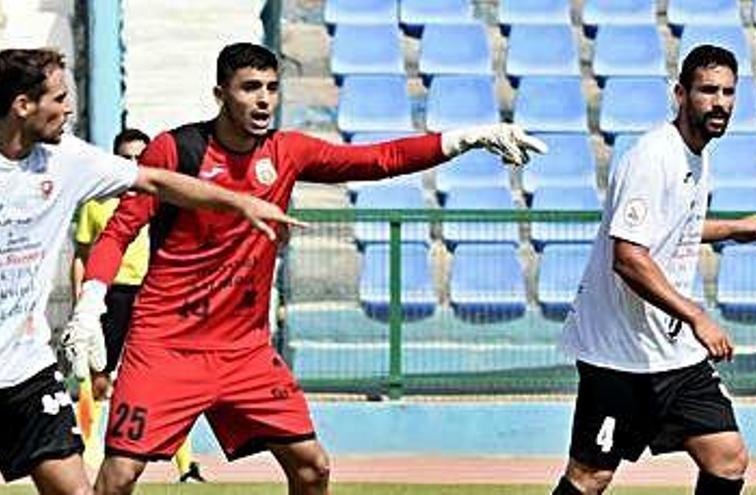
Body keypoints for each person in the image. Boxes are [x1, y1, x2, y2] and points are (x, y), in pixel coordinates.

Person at [68, 42, 546, 495]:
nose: (263, 100)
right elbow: (117, 232)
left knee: (313, 466)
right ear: (220, 94)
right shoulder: (176, 151)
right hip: (167, 345)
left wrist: (466, 138)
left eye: (271, 88)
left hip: (244, 349)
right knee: (120, 476)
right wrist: (90, 306)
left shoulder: (287, 152)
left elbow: (378, 159)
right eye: (249, 87)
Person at [0, 47, 300, 494]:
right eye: (60, 98)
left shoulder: (68, 158)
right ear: (23, 106)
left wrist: (241, 202)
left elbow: (157, 180)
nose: (69, 108)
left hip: (26, 370)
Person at [551, 45, 756, 495]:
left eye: (729, 92)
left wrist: (735, 229)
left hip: (671, 353)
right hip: (618, 354)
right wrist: (696, 315)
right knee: (590, 477)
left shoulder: (698, 153)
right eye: (707, 91)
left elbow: (671, 230)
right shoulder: (653, 157)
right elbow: (629, 258)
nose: (720, 103)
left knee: (728, 458)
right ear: (680, 94)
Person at [71, 128, 205, 483]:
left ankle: (186, 467)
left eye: (139, 157)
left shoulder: (166, 200)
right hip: (112, 295)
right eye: (126, 157)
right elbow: (82, 256)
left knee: (166, 380)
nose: (133, 163)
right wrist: (82, 303)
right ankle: (89, 453)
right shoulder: (97, 203)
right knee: (99, 379)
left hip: (153, 294)